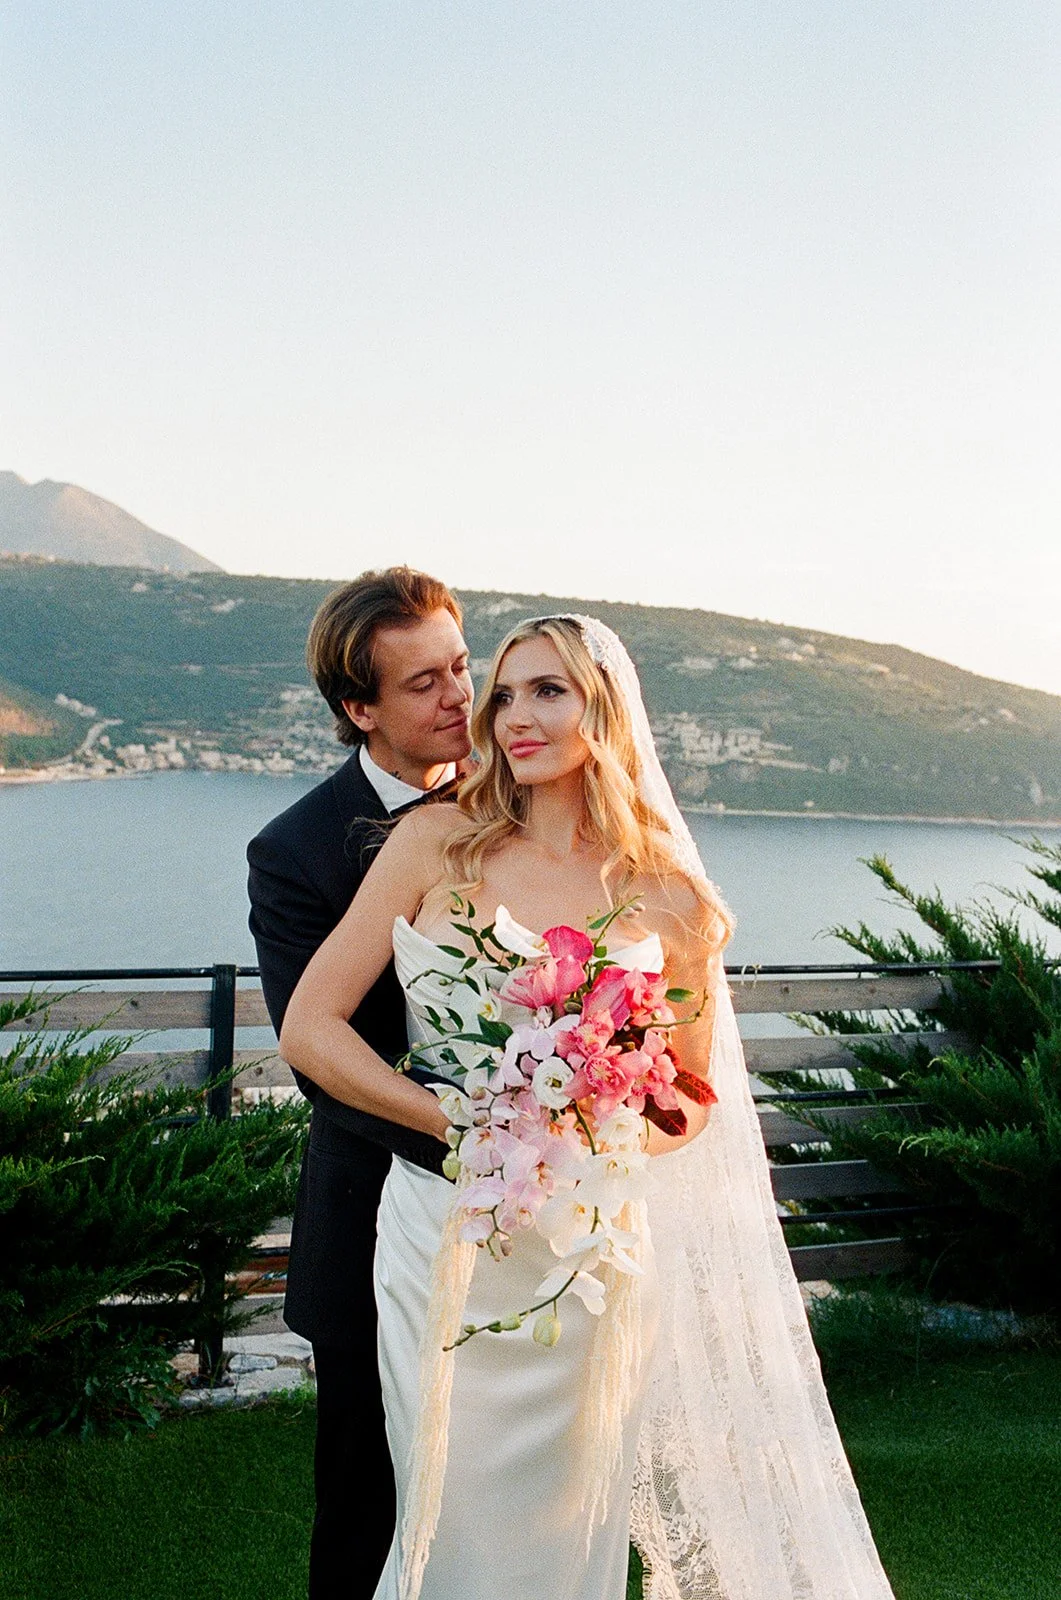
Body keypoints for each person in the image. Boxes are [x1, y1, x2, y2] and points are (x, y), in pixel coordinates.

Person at [280, 614, 898, 1600]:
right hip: (445, 1243)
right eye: (506, 693)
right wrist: (465, 1123)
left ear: (603, 711)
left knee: (572, 1528)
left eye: (546, 691)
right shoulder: (432, 845)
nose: (512, 715)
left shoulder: (670, 895)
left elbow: (689, 1098)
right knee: (449, 1517)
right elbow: (310, 1028)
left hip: (589, 1252)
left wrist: (605, 1107)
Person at [246, 566, 474, 1600]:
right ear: (359, 708)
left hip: (524, 1220)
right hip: (372, 1213)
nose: (459, 697)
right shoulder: (292, 848)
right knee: (364, 1495)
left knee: (497, 1479)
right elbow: (319, 1058)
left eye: (462, 666)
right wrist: (473, 1132)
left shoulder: (513, 807)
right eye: (424, 682)